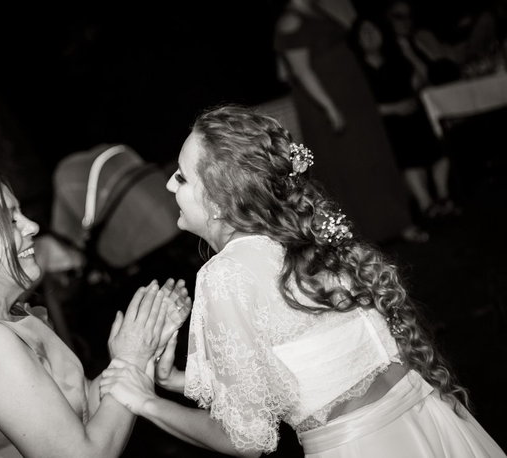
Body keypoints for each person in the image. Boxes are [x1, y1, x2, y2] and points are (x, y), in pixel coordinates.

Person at [98, 105, 506, 457]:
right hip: (432, 423)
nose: (169, 184)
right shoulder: (305, 237)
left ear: (220, 202)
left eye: (182, 177)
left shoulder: (227, 273)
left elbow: (246, 441)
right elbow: (313, 372)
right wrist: (176, 381)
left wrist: (145, 401)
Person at [0, 161, 191, 457]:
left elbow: (79, 412)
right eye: (9, 220)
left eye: (20, 212)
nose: (32, 226)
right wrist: (131, 360)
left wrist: (142, 348)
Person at [273, 0, 428, 243]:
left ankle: (398, 221)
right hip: (328, 103)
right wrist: (330, 108)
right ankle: (362, 234)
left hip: (354, 98)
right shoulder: (290, 21)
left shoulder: (319, 9)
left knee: (376, 156)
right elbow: (300, 72)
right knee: (349, 166)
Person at [351, 16, 460, 219]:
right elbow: (359, 107)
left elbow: (422, 79)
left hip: (414, 115)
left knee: (432, 140)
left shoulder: (396, 59)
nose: (370, 36)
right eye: (364, 32)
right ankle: (426, 202)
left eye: (374, 30)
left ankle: (443, 196)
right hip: (385, 120)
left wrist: (409, 52)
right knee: (405, 146)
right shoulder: (357, 70)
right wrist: (393, 109)